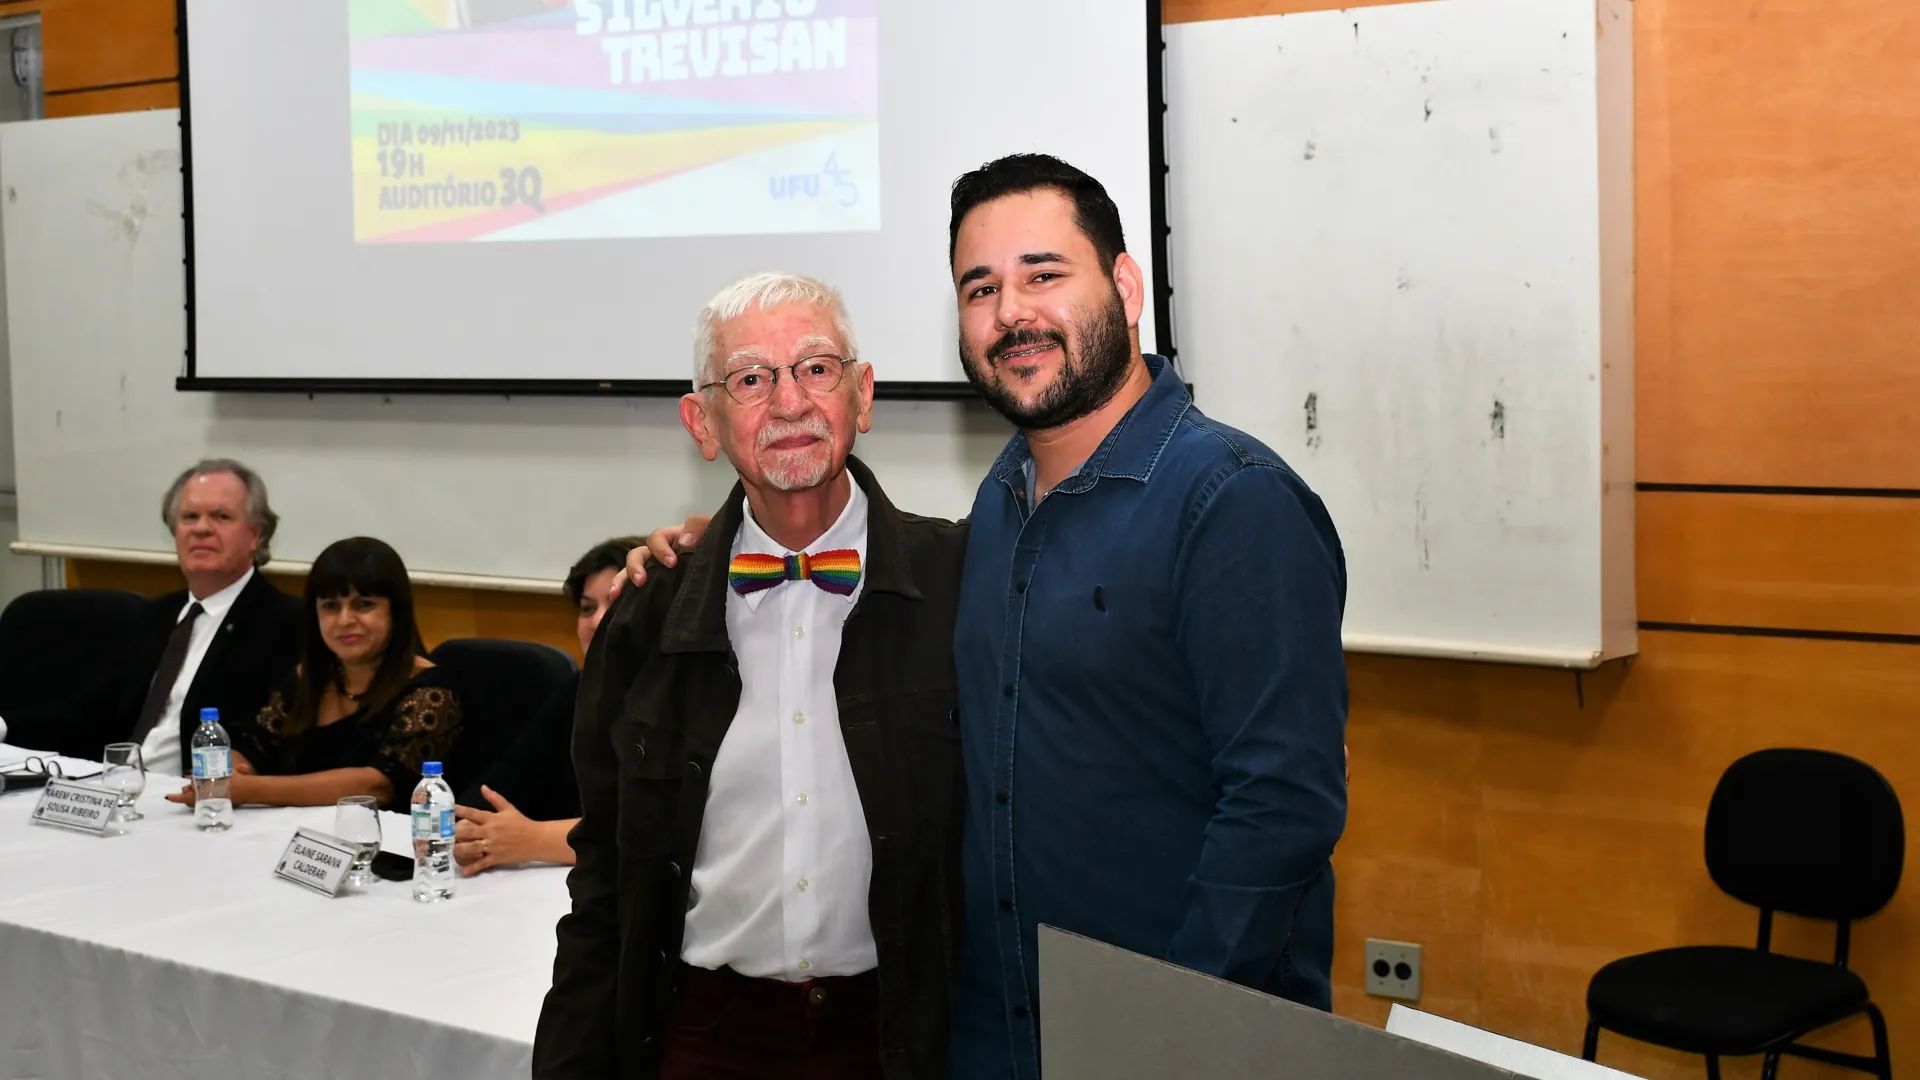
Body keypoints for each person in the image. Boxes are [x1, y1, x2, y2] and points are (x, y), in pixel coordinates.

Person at [620, 154, 1349, 1079]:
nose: (1011, 313)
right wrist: (708, 547)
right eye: (981, 289)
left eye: (1043, 274)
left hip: (1178, 1044)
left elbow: (1282, 806)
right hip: (998, 1035)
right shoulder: (999, 506)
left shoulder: (1231, 502)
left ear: (1126, 288)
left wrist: (1169, 1029)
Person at [533, 273, 967, 1080]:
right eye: (751, 379)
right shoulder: (649, 614)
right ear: (703, 422)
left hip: (908, 1036)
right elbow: (605, 876)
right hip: (704, 1035)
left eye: (816, 367)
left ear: (863, 395)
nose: (790, 402)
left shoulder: (958, 582)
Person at [3, 459, 302, 771]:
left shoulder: (286, 623)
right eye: (190, 516)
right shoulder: (155, 615)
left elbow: (267, 741)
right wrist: (4, 727)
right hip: (115, 784)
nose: (201, 528)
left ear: (256, 535)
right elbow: (90, 712)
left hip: (196, 790)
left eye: (221, 516)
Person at [166, 536, 462, 810]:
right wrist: (225, 774)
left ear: (396, 612)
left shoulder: (431, 692)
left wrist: (247, 789)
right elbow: (255, 746)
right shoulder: (309, 677)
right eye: (330, 607)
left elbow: (378, 785)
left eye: (364, 605)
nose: (345, 620)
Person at [452, 537, 641, 875]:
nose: (596, 621)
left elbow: (654, 829)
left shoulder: (681, 700)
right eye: (587, 608)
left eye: (616, 603)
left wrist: (534, 838)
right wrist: (465, 825)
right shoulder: (578, 690)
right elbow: (510, 776)